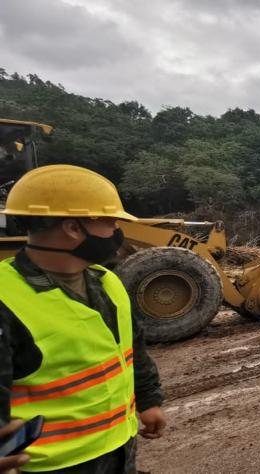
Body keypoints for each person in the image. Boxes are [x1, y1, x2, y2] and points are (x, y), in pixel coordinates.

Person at [0, 165, 166, 472]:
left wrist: (148, 399)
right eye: (110, 222)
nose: (117, 232)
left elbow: (132, 350)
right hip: (53, 465)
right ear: (74, 228)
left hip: (119, 448)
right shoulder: (5, 298)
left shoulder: (106, 281)